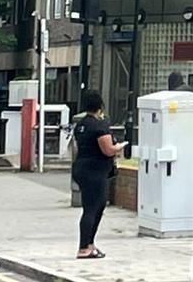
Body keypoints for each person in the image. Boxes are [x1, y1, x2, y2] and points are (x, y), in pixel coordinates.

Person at [70, 90, 125, 260]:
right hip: (94, 171)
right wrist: (121, 146)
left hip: (81, 168)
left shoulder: (81, 125)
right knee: (93, 208)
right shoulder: (99, 126)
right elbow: (108, 150)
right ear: (100, 106)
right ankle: (84, 247)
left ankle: (90, 245)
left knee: (96, 206)